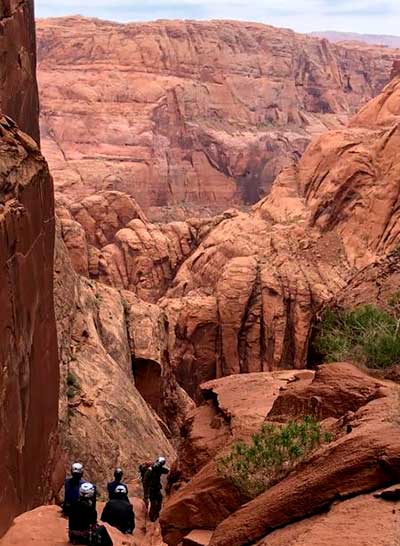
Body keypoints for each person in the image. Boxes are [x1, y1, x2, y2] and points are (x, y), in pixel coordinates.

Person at [143, 456, 169, 522]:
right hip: (152, 490)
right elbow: (145, 482)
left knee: (159, 501)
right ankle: (151, 519)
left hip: (156, 488)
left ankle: (156, 516)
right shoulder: (150, 470)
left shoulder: (158, 469)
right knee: (153, 504)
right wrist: (146, 494)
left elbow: (166, 471)